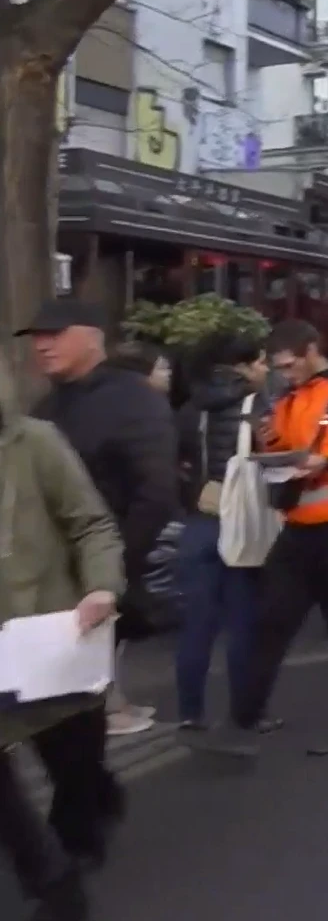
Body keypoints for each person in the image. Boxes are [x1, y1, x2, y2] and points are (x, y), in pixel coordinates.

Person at [185, 320, 328, 758]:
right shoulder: (286, 399)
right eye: (279, 367)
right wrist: (271, 445)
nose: (285, 372)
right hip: (298, 526)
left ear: (312, 349)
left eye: (290, 364)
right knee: (271, 620)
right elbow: (281, 444)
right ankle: (244, 717)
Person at [0, 346, 124, 921]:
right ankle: (54, 883)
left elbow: (92, 522)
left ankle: (85, 821)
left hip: (49, 639)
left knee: (73, 771)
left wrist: (100, 587)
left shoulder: (34, 443)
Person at [20, 298, 176, 748]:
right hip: (52, 563)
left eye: (54, 334)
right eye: (37, 338)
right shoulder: (48, 405)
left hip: (105, 555)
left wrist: (115, 564)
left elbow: (156, 490)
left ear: (91, 337)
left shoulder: (131, 399)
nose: (42, 345)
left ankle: (105, 710)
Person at [172, 332, 275, 732]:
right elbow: (271, 456)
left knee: (197, 623)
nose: (265, 369)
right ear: (243, 366)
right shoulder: (256, 404)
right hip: (242, 522)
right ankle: (246, 714)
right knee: (243, 620)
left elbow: (176, 460)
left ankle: (190, 712)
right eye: (261, 361)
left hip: (200, 518)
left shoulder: (191, 404)